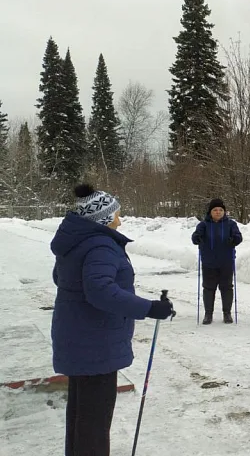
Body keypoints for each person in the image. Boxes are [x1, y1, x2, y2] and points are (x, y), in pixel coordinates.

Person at [51, 184, 174, 456]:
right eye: (117, 213)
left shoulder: (77, 242)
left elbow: (60, 278)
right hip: (96, 343)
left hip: (79, 339)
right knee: (94, 423)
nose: (120, 219)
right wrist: (150, 308)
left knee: (81, 418)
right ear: (104, 217)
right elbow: (100, 291)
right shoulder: (100, 245)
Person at [191, 198, 243, 324]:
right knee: (209, 288)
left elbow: (239, 237)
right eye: (215, 210)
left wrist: (235, 240)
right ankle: (208, 314)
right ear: (210, 212)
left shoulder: (231, 224)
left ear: (224, 211)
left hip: (226, 261)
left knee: (227, 288)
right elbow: (194, 237)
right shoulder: (203, 225)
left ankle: (227, 313)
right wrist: (197, 238)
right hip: (209, 262)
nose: (218, 212)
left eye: (220, 210)